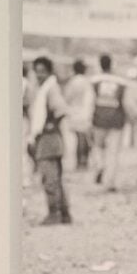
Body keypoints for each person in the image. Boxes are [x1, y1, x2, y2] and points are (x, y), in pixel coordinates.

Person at [28, 56, 71, 225]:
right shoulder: (45, 88)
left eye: (42, 72)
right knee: (56, 178)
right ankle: (65, 214)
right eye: (37, 72)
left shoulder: (50, 89)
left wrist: (51, 125)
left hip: (49, 140)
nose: (39, 75)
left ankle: (54, 214)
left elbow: (60, 110)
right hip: (51, 139)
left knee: (50, 178)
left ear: (48, 72)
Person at [90, 54, 127, 191]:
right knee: (113, 151)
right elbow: (125, 101)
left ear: (100, 64)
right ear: (111, 64)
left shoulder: (94, 80)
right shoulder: (120, 81)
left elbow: (90, 100)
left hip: (98, 118)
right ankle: (110, 182)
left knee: (97, 146)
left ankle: (99, 165)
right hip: (116, 119)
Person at [64, 59, 94, 169]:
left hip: (74, 112)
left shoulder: (72, 82)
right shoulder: (87, 82)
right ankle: (83, 161)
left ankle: (80, 161)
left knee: (79, 138)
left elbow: (67, 98)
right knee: (84, 138)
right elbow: (90, 98)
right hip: (85, 112)